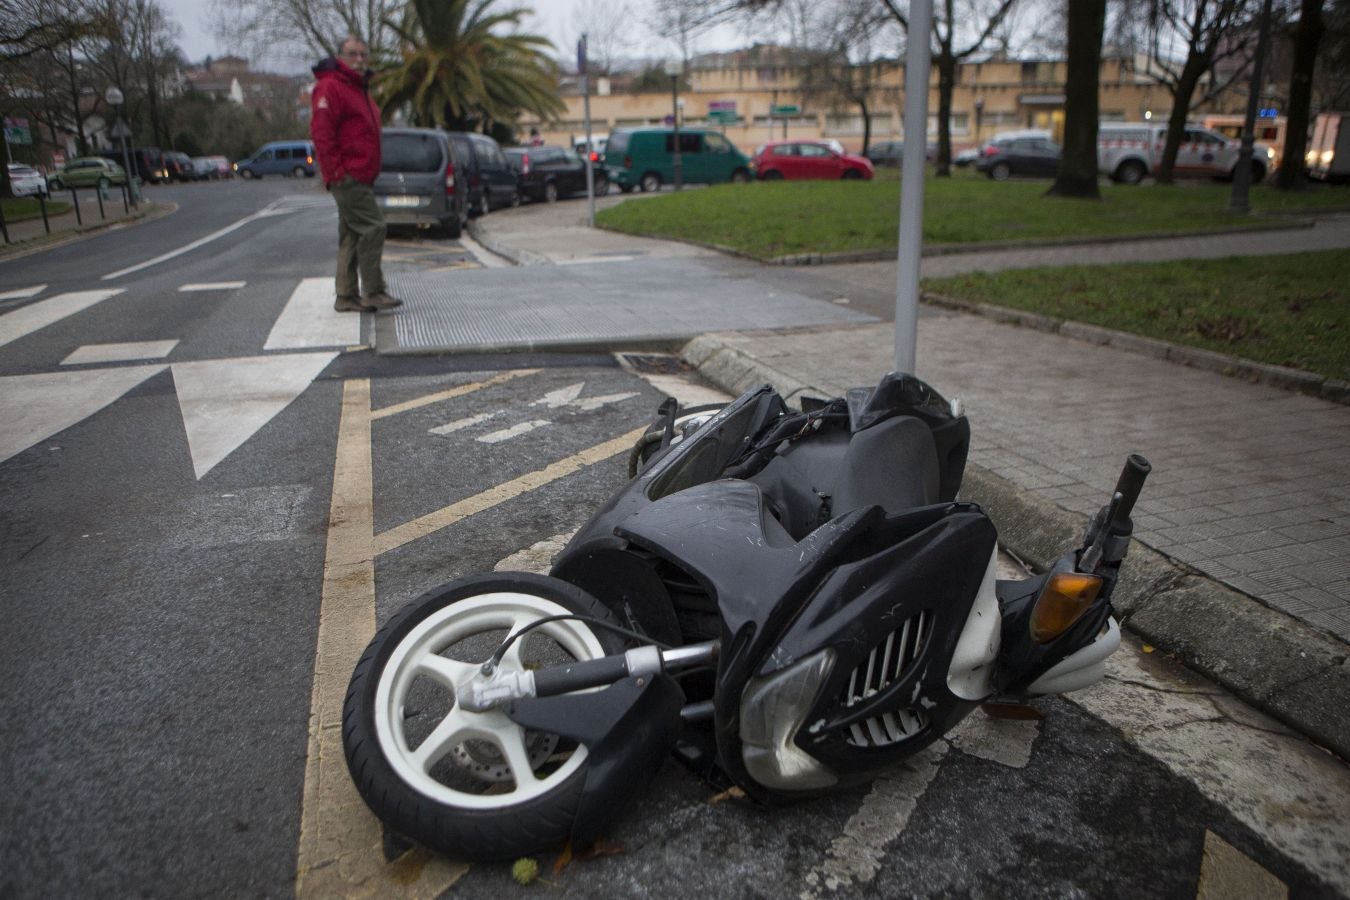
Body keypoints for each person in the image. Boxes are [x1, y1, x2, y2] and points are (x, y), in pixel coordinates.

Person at [310, 36, 401, 313]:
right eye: (353, 54)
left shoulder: (358, 88)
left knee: (351, 233)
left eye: (363, 54)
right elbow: (322, 134)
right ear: (340, 57)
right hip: (348, 175)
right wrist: (336, 171)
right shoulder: (331, 87)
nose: (360, 59)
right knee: (374, 226)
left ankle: (346, 295)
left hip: (360, 174)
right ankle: (373, 290)